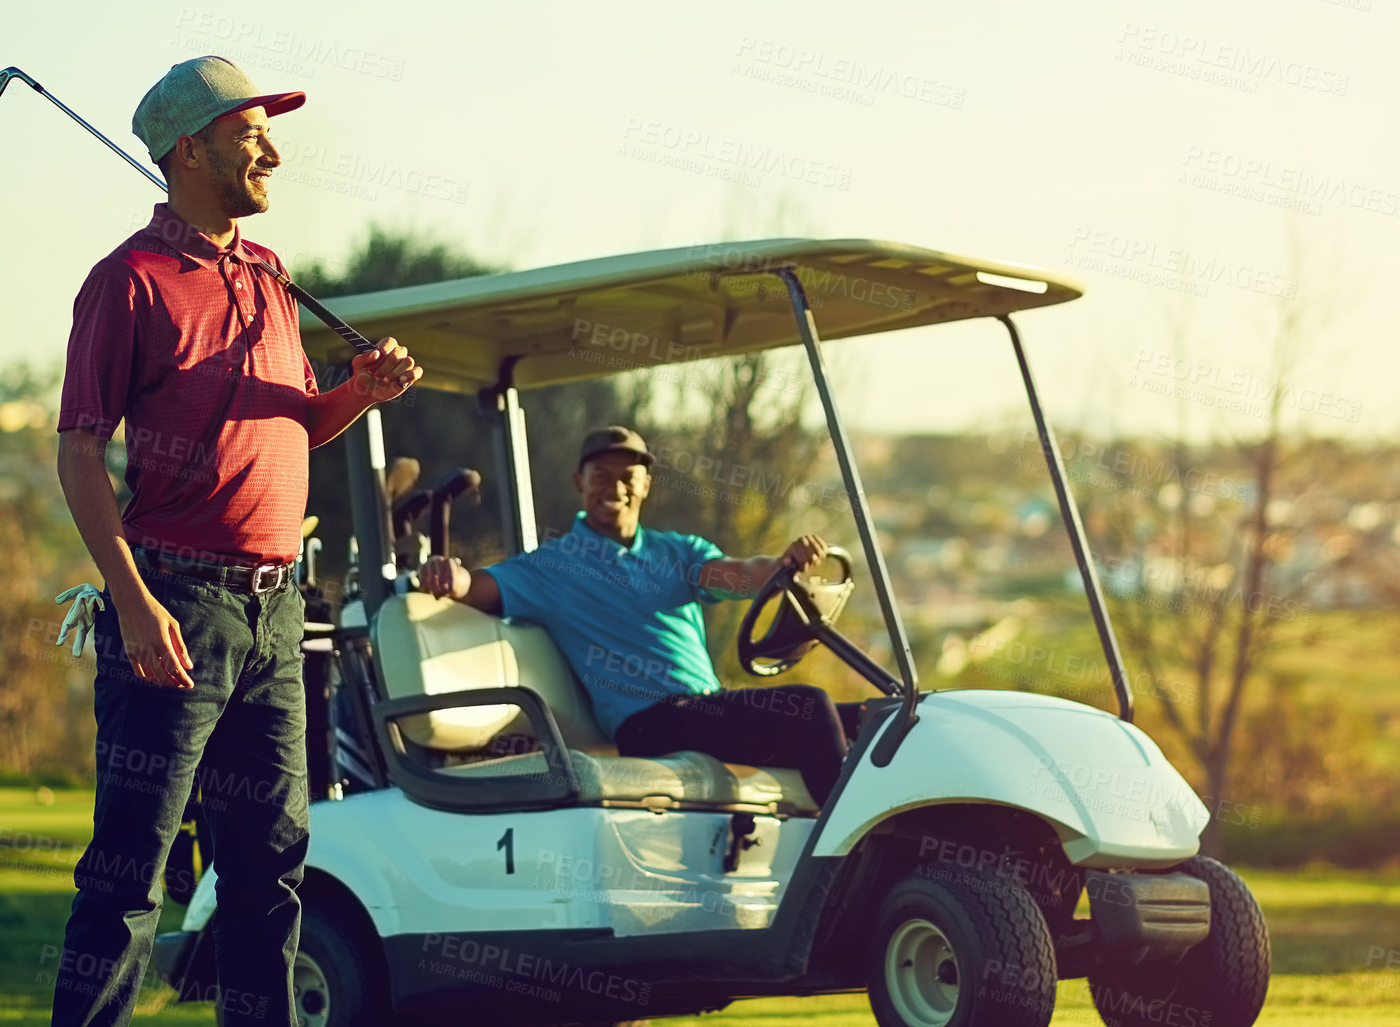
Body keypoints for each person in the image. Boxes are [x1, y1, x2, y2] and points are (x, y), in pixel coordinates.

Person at [50, 56, 421, 1027]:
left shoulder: (269, 274)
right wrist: (131, 603)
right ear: (191, 150)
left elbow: (293, 422)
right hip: (175, 605)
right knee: (131, 872)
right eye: (252, 138)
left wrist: (360, 393)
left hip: (277, 609)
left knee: (269, 873)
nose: (274, 154)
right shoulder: (126, 283)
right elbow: (79, 453)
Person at [419, 426, 850, 805]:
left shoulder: (679, 551)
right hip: (649, 723)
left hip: (703, 711)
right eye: (601, 476)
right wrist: (449, 575)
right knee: (808, 707)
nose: (615, 487)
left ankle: (879, 865)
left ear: (646, 485)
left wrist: (784, 564)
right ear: (579, 482)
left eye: (627, 477)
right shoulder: (555, 565)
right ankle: (845, 850)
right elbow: (476, 587)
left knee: (871, 718)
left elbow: (740, 575)